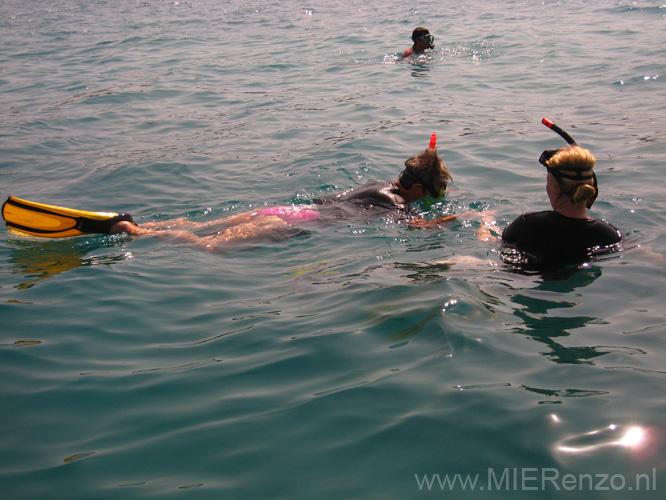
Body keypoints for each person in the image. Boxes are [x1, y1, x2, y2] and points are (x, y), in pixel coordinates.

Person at [110, 147, 459, 253]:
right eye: (433, 192)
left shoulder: (377, 184)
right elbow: (418, 229)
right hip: (292, 224)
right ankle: (136, 233)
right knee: (209, 247)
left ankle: (145, 224)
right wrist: (453, 220)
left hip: (285, 210)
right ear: (415, 189)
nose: (432, 198)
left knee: (203, 227)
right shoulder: (398, 205)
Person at [495, 144, 623, 267]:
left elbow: (496, 244)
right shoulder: (608, 234)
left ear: (556, 188)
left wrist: (486, 223)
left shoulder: (527, 224)